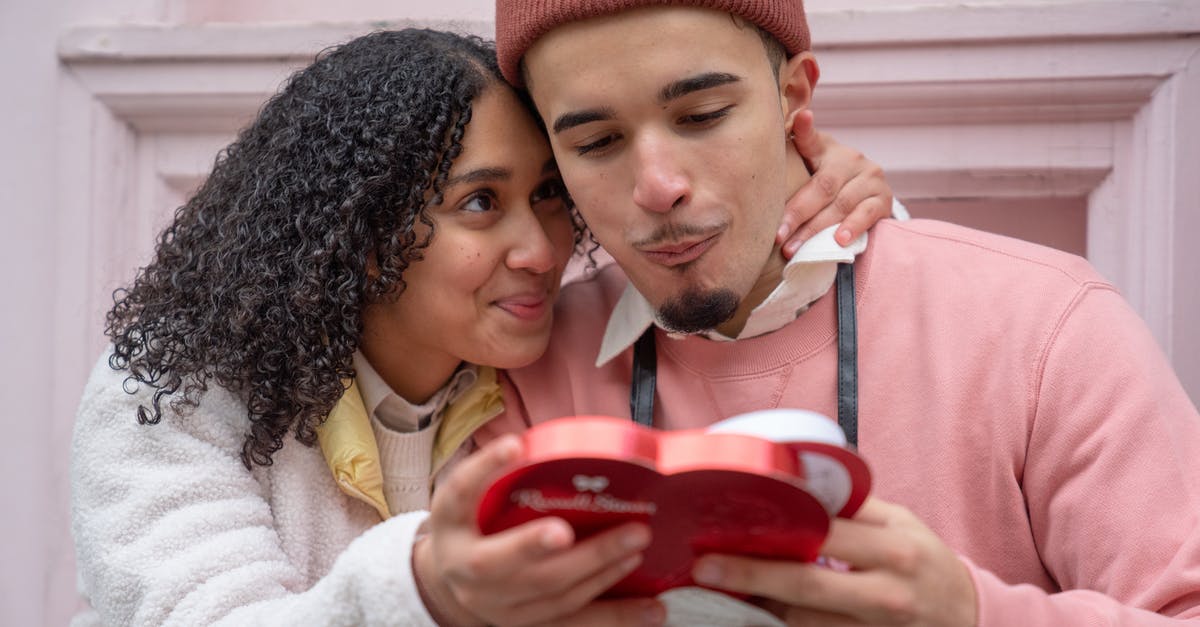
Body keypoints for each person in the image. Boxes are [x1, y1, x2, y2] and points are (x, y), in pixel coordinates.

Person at [69, 28, 896, 625]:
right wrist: (428, 586)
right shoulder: (171, 392)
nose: (540, 248)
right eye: (479, 203)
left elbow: (738, 270)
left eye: (546, 195)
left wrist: (822, 183)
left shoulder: (548, 356)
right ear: (357, 233)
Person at [413, 2, 1200, 626]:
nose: (658, 184)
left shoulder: (1043, 322)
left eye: (703, 115)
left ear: (793, 97)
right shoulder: (523, 370)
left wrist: (971, 614)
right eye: (596, 141)